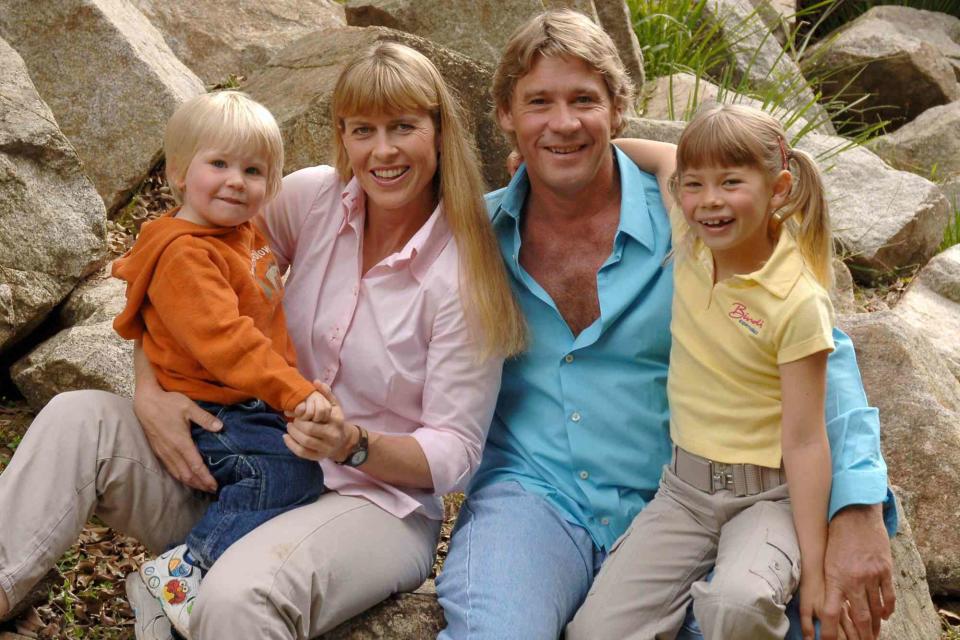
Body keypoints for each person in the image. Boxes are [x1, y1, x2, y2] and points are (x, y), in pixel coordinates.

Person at [0, 41, 525, 639]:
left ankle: (190, 577)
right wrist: (149, 390)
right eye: (363, 130)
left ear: (437, 131)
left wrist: (351, 443)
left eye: (403, 127)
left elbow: (455, 452)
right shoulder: (311, 199)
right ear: (342, 136)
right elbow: (190, 287)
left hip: (374, 504)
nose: (382, 150)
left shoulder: (463, 274)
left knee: (234, 600)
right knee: (77, 420)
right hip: (246, 468)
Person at [435, 10, 896, 640]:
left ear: (619, 110)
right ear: (506, 118)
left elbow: (820, 354)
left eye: (584, 101)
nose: (564, 122)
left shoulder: (697, 217)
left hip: (689, 497)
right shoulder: (474, 237)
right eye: (538, 102)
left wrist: (860, 504)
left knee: (753, 618)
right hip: (534, 499)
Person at [567, 103, 836, 640]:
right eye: (696, 185)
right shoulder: (689, 241)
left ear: (779, 188)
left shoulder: (797, 300)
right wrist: (576, 157)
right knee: (596, 632)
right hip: (683, 494)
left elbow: (806, 441)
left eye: (732, 182)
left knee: (736, 607)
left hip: (766, 497)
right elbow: (666, 156)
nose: (710, 200)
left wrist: (818, 569)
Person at [111, 91, 333, 638]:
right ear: (179, 173)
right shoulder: (187, 254)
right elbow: (227, 341)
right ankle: (185, 570)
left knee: (297, 476)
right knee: (283, 472)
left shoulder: (238, 232)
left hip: (245, 398)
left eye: (253, 170)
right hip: (211, 405)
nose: (237, 181)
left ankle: (195, 573)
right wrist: (294, 392)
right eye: (219, 164)